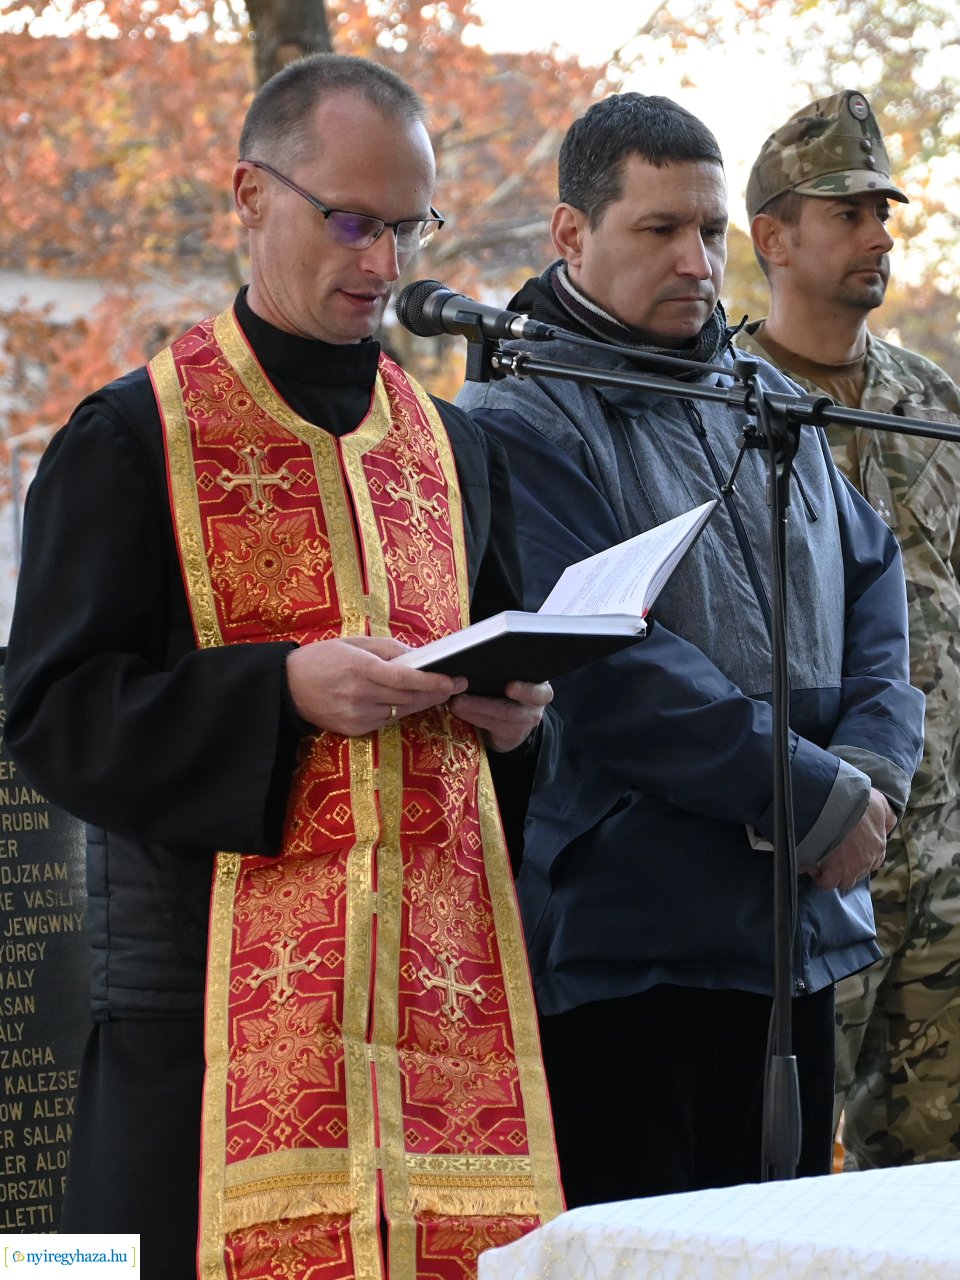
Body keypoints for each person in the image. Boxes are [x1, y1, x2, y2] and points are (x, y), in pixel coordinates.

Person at [3, 55, 563, 1276]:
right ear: (251, 195)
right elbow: (50, 714)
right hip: (198, 1028)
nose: (384, 263)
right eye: (352, 221)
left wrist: (522, 721)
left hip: (435, 1030)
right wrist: (282, 691)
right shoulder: (130, 435)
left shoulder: (458, 452)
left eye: (410, 226)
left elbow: (510, 695)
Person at [456, 93, 924, 1203]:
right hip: (633, 944)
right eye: (658, 230)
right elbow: (610, 671)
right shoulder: (517, 420)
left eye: (709, 232)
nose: (696, 261)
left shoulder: (765, 399)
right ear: (572, 235)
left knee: (789, 1243)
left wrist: (869, 782)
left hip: (794, 926)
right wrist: (812, 794)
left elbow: (874, 578)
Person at [738, 90, 960, 1169]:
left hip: (945, 854)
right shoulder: (726, 403)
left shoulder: (929, 399)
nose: (879, 234)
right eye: (847, 211)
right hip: (807, 852)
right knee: (783, 1173)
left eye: (882, 211)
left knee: (946, 1171)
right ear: (774, 236)